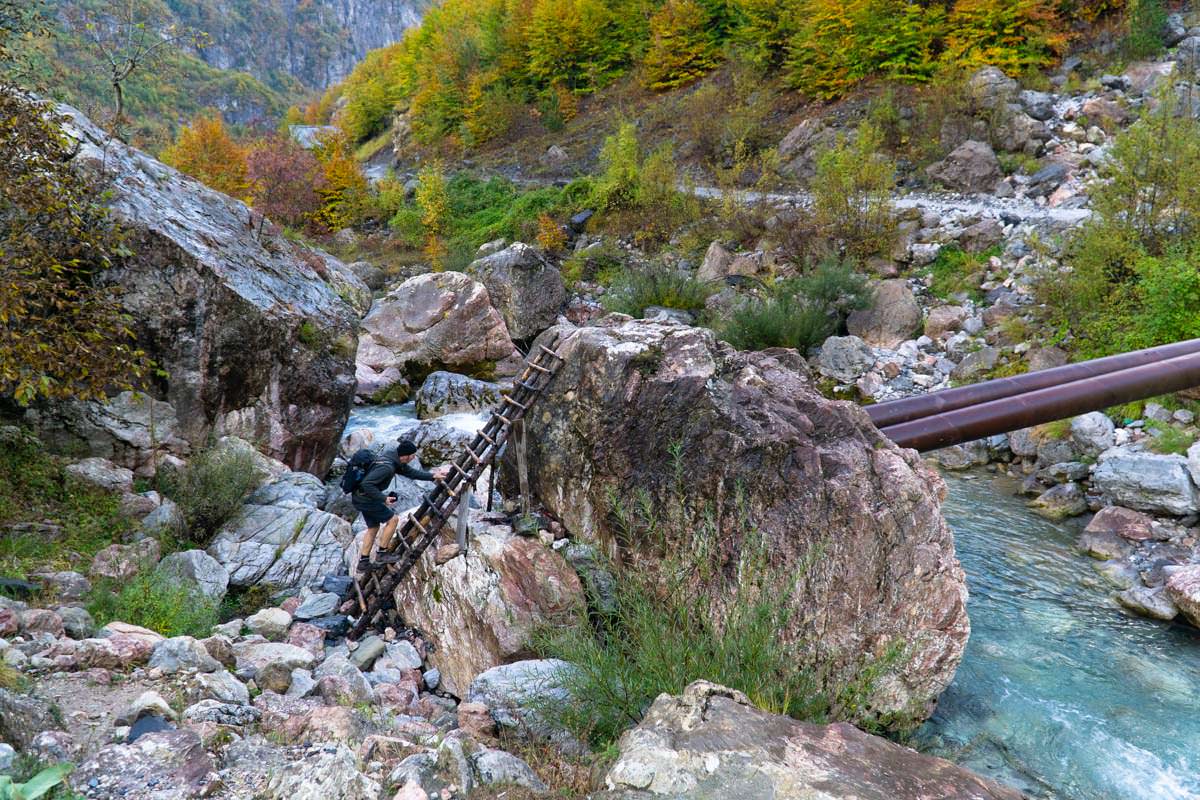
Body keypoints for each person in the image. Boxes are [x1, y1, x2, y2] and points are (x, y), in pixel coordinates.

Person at [353, 438, 449, 573]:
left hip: (361, 497)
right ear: (406, 456)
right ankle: (382, 554)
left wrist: (433, 476)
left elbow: (411, 472)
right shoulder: (387, 467)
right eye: (413, 455)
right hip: (366, 499)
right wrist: (383, 498)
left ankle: (363, 563)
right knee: (393, 520)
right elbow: (366, 484)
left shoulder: (393, 458)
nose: (414, 458)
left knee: (373, 528)